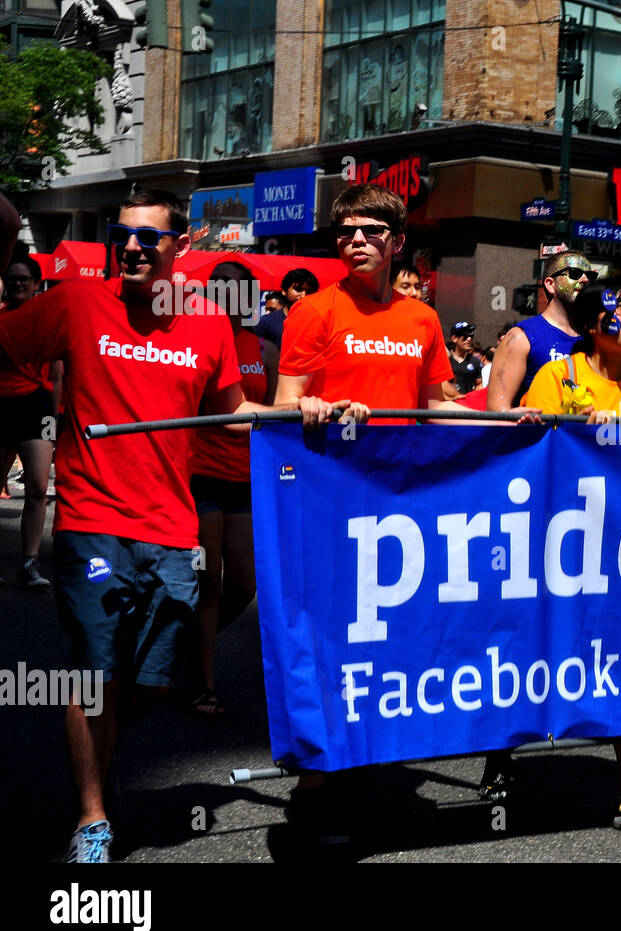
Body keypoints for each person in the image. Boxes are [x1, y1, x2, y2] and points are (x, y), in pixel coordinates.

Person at [0, 190, 344, 862]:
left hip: (169, 527)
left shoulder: (209, 325)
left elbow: (235, 409)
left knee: (156, 679)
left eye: (147, 238)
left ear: (180, 248)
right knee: (95, 672)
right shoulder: (77, 302)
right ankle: (92, 816)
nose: (130, 247)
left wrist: (309, 410)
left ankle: (93, 747)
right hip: (92, 522)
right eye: (122, 236)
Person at [274, 182, 459, 841]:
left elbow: (439, 407)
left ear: (397, 241)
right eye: (346, 230)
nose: (356, 240)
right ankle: (318, 785)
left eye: (371, 230)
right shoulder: (314, 311)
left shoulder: (422, 319)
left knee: (385, 644)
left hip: (400, 512)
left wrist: (511, 418)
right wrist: (309, 409)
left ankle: (353, 768)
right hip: (328, 504)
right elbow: (280, 404)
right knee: (328, 643)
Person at [522, 281, 621, 841]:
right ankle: (500, 764)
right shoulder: (558, 376)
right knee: (535, 653)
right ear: (593, 323)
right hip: (558, 549)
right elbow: (522, 449)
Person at [188, 260, 277, 717]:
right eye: (218, 288)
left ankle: (185, 642)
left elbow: (278, 407)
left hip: (247, 479)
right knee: (209, 582)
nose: (226, 296)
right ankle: (203, 682)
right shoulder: (194, 336)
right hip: (199, 473)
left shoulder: (264, 346)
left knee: (243, 585)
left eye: (235, 289)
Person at [0, 253, 59, 587]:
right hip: (1, 404)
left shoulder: (48, 320)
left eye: (25, 279)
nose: (18, 284)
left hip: (36, 406)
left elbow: (58, 375)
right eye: (13, 279)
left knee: (38, 488)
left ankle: (29, 563)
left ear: (37, 284)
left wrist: (56, 416)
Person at [487, 251, 594, 409]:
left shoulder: (597, 337)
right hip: (539, 433)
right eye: (575, 273)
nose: (585, 280)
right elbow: (497, 410)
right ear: (551, 284)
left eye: (590, 276)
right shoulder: (520, 337)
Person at [447, 321, 484, 395]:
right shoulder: (446, 360)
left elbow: (479, 385)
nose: (469, 339)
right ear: (454, 338)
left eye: (471, 336)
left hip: (467, 404)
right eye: (465, 336)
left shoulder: (475, 362)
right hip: (448, 404)